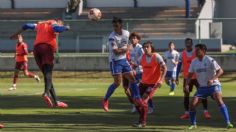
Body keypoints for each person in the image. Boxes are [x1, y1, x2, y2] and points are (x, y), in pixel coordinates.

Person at [10, 19, 70, 108]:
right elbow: (57, 28)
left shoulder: (41, 24)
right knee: (48, 74)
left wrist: (16, 34)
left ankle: (56, 101)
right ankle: (46, 93)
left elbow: (26, 25)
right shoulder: (53, 23)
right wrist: (65, 27)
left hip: (36, 50)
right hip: (46, 48)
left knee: (47, 76)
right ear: (58, 22)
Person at [186, 44, 233, 129]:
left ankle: (228, 123)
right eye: (195, 50)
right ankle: (193, 124)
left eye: (197, 50)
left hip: (213, 85)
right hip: (202, 88)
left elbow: (220, 71)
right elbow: (189, 75)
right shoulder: (194, 62)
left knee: (218, 99)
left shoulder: (209, 60)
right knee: (192, 104)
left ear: (203, 51)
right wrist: (186, 84)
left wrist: (212, 79)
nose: (195, 52)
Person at [102, 17, 141, 112]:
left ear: (121, 25)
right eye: (113, 25)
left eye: (116, 25)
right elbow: (116, 52)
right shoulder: (112, 37)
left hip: (123, 60)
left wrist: (132, 45)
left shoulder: (126, 33)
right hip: (115, 61)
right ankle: (105, 99)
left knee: (132, 79)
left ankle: (137, 98)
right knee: (117, 83)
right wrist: (127, 49)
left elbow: (131, 41)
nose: (115, 27)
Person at [132, 41, 167, 128]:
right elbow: (134, 66)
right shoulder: (142, 57)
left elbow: (165, 68)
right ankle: (143, 118)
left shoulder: (157, 56)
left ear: (152, 48)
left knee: (143, 100)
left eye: (147, 47)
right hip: (143, 83)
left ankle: (142, 122)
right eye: (144, 47)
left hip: (152, 84)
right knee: (136, 102)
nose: (146, 48)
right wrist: (131, 70)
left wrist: (161, 80)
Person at [177, 38, 211, 119]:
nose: (187, 44)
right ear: (185, 44)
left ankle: (206, 112)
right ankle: (187, 113)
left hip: (198, 77)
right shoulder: (182, 54)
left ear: (192, 44)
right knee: (186, 95)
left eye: (189, 43)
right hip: (187, 78)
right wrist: (177, 75)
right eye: (186, 43)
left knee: (203, 94)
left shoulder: (196, 52)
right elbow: (179, 65)